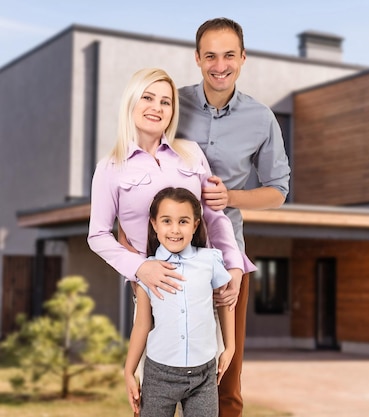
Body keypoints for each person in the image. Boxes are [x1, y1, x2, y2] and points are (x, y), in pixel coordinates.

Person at [176, 17, 291, 417]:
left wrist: (232, 196)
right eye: (210, 56)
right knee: (158, 373)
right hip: (168, 256)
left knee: (226, 380)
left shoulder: (262, 119)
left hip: (226, 262)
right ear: (197, 59)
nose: (219, 65)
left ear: (243, 58)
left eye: (228, 55)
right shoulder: (172, 104)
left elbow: (278, 191)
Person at [88, 67, 253, 302]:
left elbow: (214, 216)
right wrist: (140, 268)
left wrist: (234, 265)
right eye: (147, 97)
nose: (157, 107)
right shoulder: (110, 167)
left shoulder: (192, 152)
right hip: (156, 292)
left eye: (166, 102)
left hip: (205, 287)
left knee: (219, 340)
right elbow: (98, 235)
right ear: (131, 101)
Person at [124, 187, 234, 417]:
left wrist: (230, 346)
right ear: (154, 224)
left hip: (204, 375)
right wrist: (129, 371)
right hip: (158, 375)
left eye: (183, 221)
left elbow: (224, 302)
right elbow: (142, 325)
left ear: (195, 225)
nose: (175, 230)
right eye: (166, 221)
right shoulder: (147, 270)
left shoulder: (209, 260)